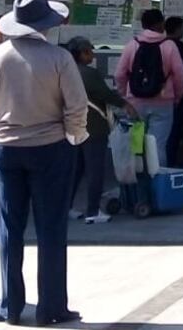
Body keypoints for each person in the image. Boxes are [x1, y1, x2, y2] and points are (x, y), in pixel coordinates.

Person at [0, 0, 88, 326]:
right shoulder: (60, 58)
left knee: (9, 229)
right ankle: (51, 308)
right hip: (50, 148)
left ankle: (10, 307)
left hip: (6, 149)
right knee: (51, 229)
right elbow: (77, 106)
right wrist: (74, 135)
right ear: (46, 24)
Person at [67, 37, 131, 224]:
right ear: (81, 53)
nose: (92, 55)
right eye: (89, 51)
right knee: (95, 170)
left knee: (75, 169)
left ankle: (67, 207)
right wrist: (124, 103)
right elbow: (105, 94)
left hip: (72, 126)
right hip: (93, 127)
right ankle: (93, 211)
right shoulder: (90, 74)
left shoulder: (64, 72)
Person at [114, 9, 183, 168]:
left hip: (136, 105)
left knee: (136, 144)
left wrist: (125, 96)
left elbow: (119, 74)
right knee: (158, 145)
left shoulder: (132, 44)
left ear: (143, 25)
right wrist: (177, 97)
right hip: (163, 104)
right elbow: (180, 76)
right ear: (161, 24)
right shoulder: (169, 46)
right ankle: (157, 183)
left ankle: (136, 181)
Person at [164, 16, 183, 167]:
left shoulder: (159, 45)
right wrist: (180, 96)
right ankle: (169, 163)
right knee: (173, 131)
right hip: (174, 97)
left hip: (147, 97)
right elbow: (181, 75)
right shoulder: (179, 47)